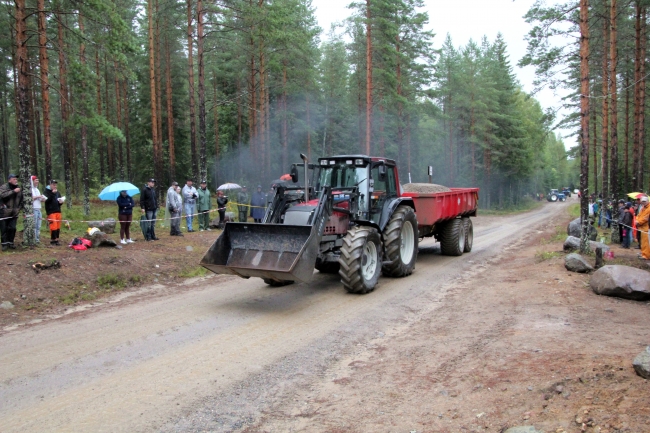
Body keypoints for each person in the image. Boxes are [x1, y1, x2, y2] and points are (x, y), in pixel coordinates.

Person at [0, 174, 23, 250]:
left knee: (12, 228)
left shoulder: (19, 188)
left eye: (16, 179)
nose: (16, 180)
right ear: (9, 180)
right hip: (4, 212)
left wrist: (19, 207)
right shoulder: (4, 187)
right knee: (4, 229)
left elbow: (21, 199)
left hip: (14, 212)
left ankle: (11, 242)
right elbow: (2, 195)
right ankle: (4, 244)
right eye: (14, 179)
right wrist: (13, 191)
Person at [43, 179, 63, 246]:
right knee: (53, 226)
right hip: (51, 211)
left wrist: (61, 202)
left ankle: (57, 239)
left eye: (55, 185)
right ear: (50, 185)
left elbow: (59, 201)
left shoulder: (58, 192)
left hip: (58, 210)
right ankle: (53, 240)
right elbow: (47, 201)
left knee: (58, 226)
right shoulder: (46, 192)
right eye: (53, 184)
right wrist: (52, 194)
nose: (55, 186)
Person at [30, 175, 46, 244]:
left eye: (38, 180)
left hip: (39, 209)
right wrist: (38, 196)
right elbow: (31, 198)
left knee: (38, 225)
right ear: (32, 181)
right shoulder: (30, 189)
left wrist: (42, 199)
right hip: (33, 209)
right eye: (36, 180)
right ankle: (33, 239)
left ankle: (37, 239)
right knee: (34, 225)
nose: (37, 182)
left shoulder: (37, 189)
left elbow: (38, 199)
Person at [636, 195, 650, 260]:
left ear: (647, 201)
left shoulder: (649, 208)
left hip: (646, 228)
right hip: (642, 227)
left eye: (644, 201)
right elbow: (639, 215)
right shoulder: (643, 208)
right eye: (642, 201)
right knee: (642, 242)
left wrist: (639, 222)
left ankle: (646, 255)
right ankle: (643, 253)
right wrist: (637, 220)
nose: (643, 203)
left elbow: (646, 218)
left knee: (646, 242)